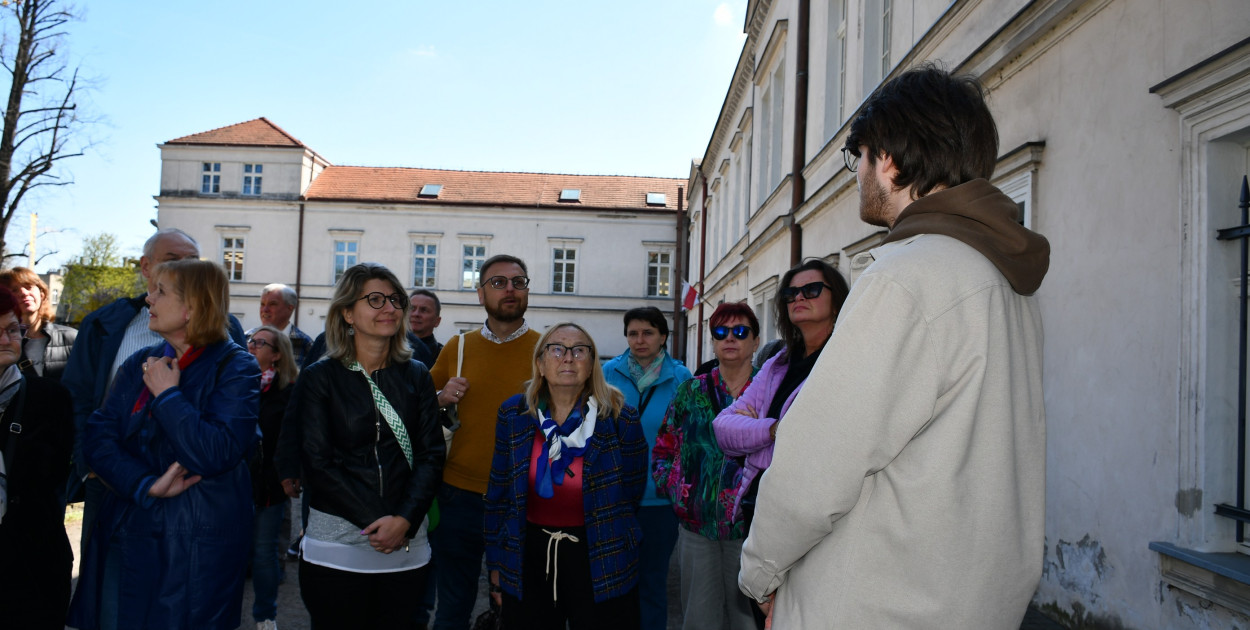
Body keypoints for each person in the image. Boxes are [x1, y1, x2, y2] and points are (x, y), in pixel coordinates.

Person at [737, 64, 1050, 628]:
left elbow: (819, 461)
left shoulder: (908, 276)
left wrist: (761, 571)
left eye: (858, 157)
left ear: (889, 160)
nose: (856, 173)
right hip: (963, 601)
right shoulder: (1002, 280)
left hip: (877, 602)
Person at [67, 259, 260, 630]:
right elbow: (98, 437)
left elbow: (215, 452)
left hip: (192, 545)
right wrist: (145, 484)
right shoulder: (141, 362)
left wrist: (168, 397)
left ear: (192, 306)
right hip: (126, 525)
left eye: (160, 292)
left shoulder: (236, 366)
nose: (148, 299)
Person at [288, 262, 444, 628]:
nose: (389, 308)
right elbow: (318, 462)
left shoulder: (417, 374)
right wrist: (378, 519)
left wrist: (404, 520)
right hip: (336, 548)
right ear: (347, 312)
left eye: (395, 299)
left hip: (407, 545)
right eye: (375, 299)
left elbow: (431, 456)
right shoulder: (319, 378)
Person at [61, 228, 245, 529]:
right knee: (108, 568)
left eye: (192, 260)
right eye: (172, 259)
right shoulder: (106, 325)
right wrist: (90, 466)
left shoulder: (228, 335)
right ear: (146, 267)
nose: (185, 268)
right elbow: (79, 400)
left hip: (193, 487)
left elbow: (231, 424)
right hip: (112, 480)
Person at [485, 323, 646, 629]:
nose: (568, 358)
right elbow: (499, 494)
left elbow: (631, 491)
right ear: (540, 364)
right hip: (528, 554)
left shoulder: (619, 416)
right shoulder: (514, 415)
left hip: (601, 552)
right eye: (556, 349)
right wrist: (496, 564)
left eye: (579, 350)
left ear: (592, 363)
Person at [429, 254, 541, 630]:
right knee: (452, 607)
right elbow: (415, 412)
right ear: (480, 294)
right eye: (498, 282)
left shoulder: (549, 352)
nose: (510, 289)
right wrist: (440, 398)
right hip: (457, 496)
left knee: (515, 607)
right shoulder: (457, 348)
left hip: (522, 500)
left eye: (518, 282)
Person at [713, 260, 848, 527]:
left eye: (811, 289)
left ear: (836, 302)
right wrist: (773, 430)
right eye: (790, 293)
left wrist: (753, 432)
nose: (798, 296)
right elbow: (722, 428)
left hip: (812, 512)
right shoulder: (778, 363)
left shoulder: (844, 360)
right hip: (760, 504)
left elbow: (816, 442)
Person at [653, 302, 761, 630]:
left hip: (751, 530)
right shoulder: (691, 391)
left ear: (755, 341)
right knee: (699, 621)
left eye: (740, 331)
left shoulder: (768, 393)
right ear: (712, 341)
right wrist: (681, 495)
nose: (731, 338)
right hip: (696, 528)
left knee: (749, 622)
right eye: (721, 331)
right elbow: (663, 449)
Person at [602, 305, 692, 628]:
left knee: (652, 585)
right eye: (633, 333)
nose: (640, 340)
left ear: (663, 337)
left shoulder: (681, 377)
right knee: (613, 585)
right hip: (614, 497)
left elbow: (690, 437)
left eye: (648, 333)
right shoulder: (607, 374)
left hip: (659, 500)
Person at [0, 287, 75, 629]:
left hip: (31, 562)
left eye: (12, 329)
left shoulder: (50, 398)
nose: (6, 339)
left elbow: (55, 475)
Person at [246, 325, 297, 630]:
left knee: (264, 553)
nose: (251, 346)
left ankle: (265, 617)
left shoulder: (288, 391)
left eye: (260, 343)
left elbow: (290, 440)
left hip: (268, 486)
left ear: (277, 356)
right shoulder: (235, 383)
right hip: (233, 483)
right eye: (250, 340)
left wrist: (286, 475)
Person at [0, 267, 77, 381]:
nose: (24, 293)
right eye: (14, 290)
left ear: (42, 294)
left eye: (29, 287)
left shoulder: (72, 338)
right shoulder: (4, 341)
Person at [246, 284, 314, 366]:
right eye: (262, 304)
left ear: (290, 308)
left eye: (272, 304)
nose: (265, 309)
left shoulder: (305, 343)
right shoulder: (246, 338)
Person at [410, 288, 444, 358]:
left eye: (424, 310)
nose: (416, 314)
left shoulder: (444, 356)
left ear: (437, 321)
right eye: (412, 308)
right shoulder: (387, 349)